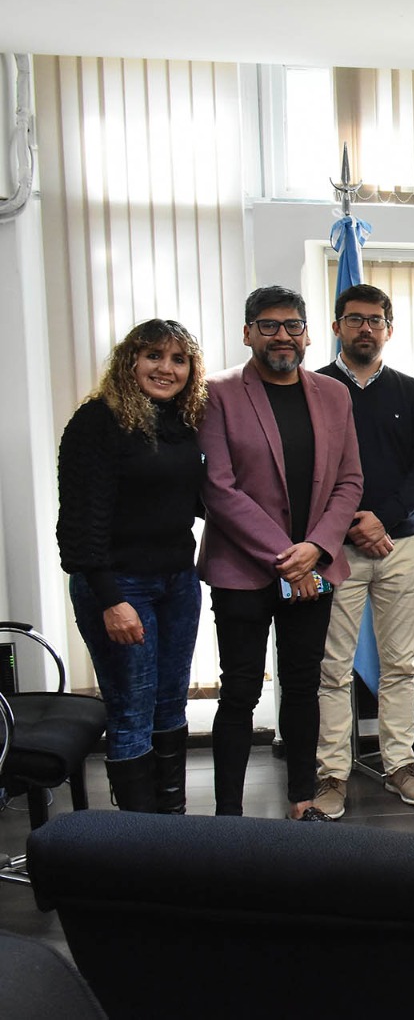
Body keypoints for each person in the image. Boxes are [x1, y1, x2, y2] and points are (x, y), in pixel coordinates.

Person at [197, 286, 363, 820]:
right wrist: (289, 556)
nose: (282, 336)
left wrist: (316, 548)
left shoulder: (334, 395)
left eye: (293, 325)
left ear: (308, 334)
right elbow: (218, 488)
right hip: (241, 570)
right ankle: (228, 815)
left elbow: (349, 481)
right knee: (240, 691)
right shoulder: (217, 393)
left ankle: (302, 800)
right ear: (248, 333)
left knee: (303, 687)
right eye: (268, 326)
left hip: (314, 569)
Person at [57, 319, 207, 814]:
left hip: (178, 581)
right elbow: (79, 523)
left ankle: (172, 825)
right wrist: (110, 599)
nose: (166, 368)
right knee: (132, 709)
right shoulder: (97, 421)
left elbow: (193, 499)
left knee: (171, 703)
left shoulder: (184, 423)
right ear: (130, 361)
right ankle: (139, 841)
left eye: (179, 359)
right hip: (119, 585)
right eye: (154, 356)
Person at [311, 284, 414, 818]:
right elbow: (307, 471)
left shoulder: (411, 392)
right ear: (337, 326)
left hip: (399, 545)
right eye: (355, 319)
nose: (366, 328)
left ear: (389, 328)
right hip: (332, 549)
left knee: (401, 664)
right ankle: (331, 774)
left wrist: (380, 518)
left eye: (375, 320)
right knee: (332, 667)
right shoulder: (313, 388)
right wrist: (349, 524)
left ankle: (399, 765)